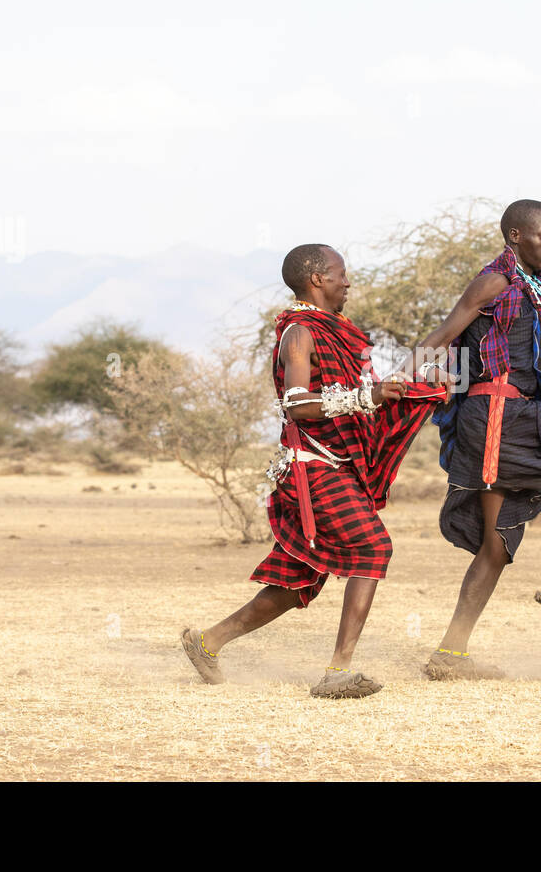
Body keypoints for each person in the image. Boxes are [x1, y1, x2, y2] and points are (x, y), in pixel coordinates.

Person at [182, 244, 444, 697]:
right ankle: (338, 671)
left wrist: (413, 393)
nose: (348, 282)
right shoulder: (299, 334)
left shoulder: (337, 331)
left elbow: (359, 403)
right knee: (373, 548)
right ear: (318, 280)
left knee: (297, 580)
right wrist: (368, 398)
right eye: (342, 274)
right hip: (312, 469)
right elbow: (297, 404)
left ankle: (208, 642)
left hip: (335, 466)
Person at [414, 200, 541, 680]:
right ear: (515, 236)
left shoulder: (534, 287)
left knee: (497, 545)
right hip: (498, 416)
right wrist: (398, 384)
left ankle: (450, 654)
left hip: (513, 412)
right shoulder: (494, 282)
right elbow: (440, 338)